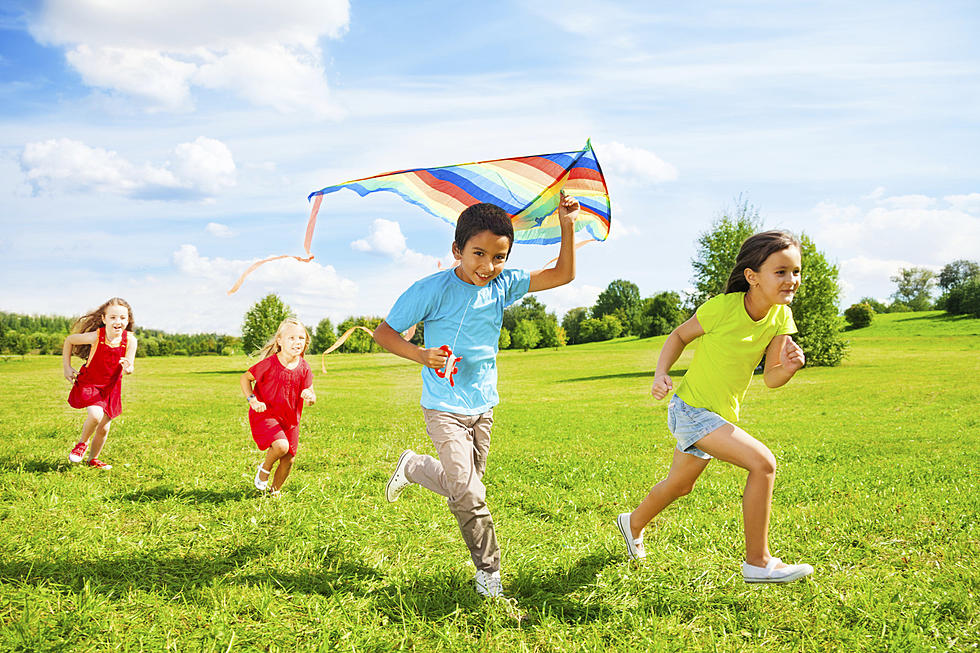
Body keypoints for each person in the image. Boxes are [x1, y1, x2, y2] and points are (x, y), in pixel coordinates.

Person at [374, 194, 580, 598]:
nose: (488, 267)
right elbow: (384, 333)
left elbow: (562, 275)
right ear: (457, 250)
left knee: (466, 488)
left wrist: (566, 225)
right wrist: (420, 354)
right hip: (443, 406)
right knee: (469, 493)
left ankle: (415, 468)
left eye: (499, 257)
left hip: (483, 405)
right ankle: (489, 573)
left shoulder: (503, 284)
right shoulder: (430, 290)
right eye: (479, 254)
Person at [616, 230, 814, 584]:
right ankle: (758, 561)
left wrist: (789, 368)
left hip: (716, 415)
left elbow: (770, 378)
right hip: (691, 409)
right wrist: (661, 373)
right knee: (763, 464)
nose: (791, 280)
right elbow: (679, 335)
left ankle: (632, 523)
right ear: (752, 277)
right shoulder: (722, 308)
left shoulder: (781, 317)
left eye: (796, 271)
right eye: (780, 272)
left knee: (680, 486)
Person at [240, 318, 316, 496]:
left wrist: (310, 397)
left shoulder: (304, 368)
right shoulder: (269, 364)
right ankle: (264, 469)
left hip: (290, 420)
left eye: (301, 338)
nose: (297, 342)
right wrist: (252, 400)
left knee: (289, 459)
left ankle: (274, 492)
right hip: (265, 414)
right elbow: (245, 378)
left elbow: (312, 395)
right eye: (291, 338)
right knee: (281, 446)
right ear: (279, 341)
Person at [63, 297, 138, 470]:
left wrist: (128, 368)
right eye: (112, 317)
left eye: (122, 318)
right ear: (104, 319)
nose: (117, 321)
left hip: (111, 388)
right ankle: (82, 444)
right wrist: (66, 367)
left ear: (128, 320)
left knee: (104, 428)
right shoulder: (96, 337)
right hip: (90, 384)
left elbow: (130, 366)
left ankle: (93, 459)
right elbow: (69, 340)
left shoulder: (130, 341)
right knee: (95, 415)